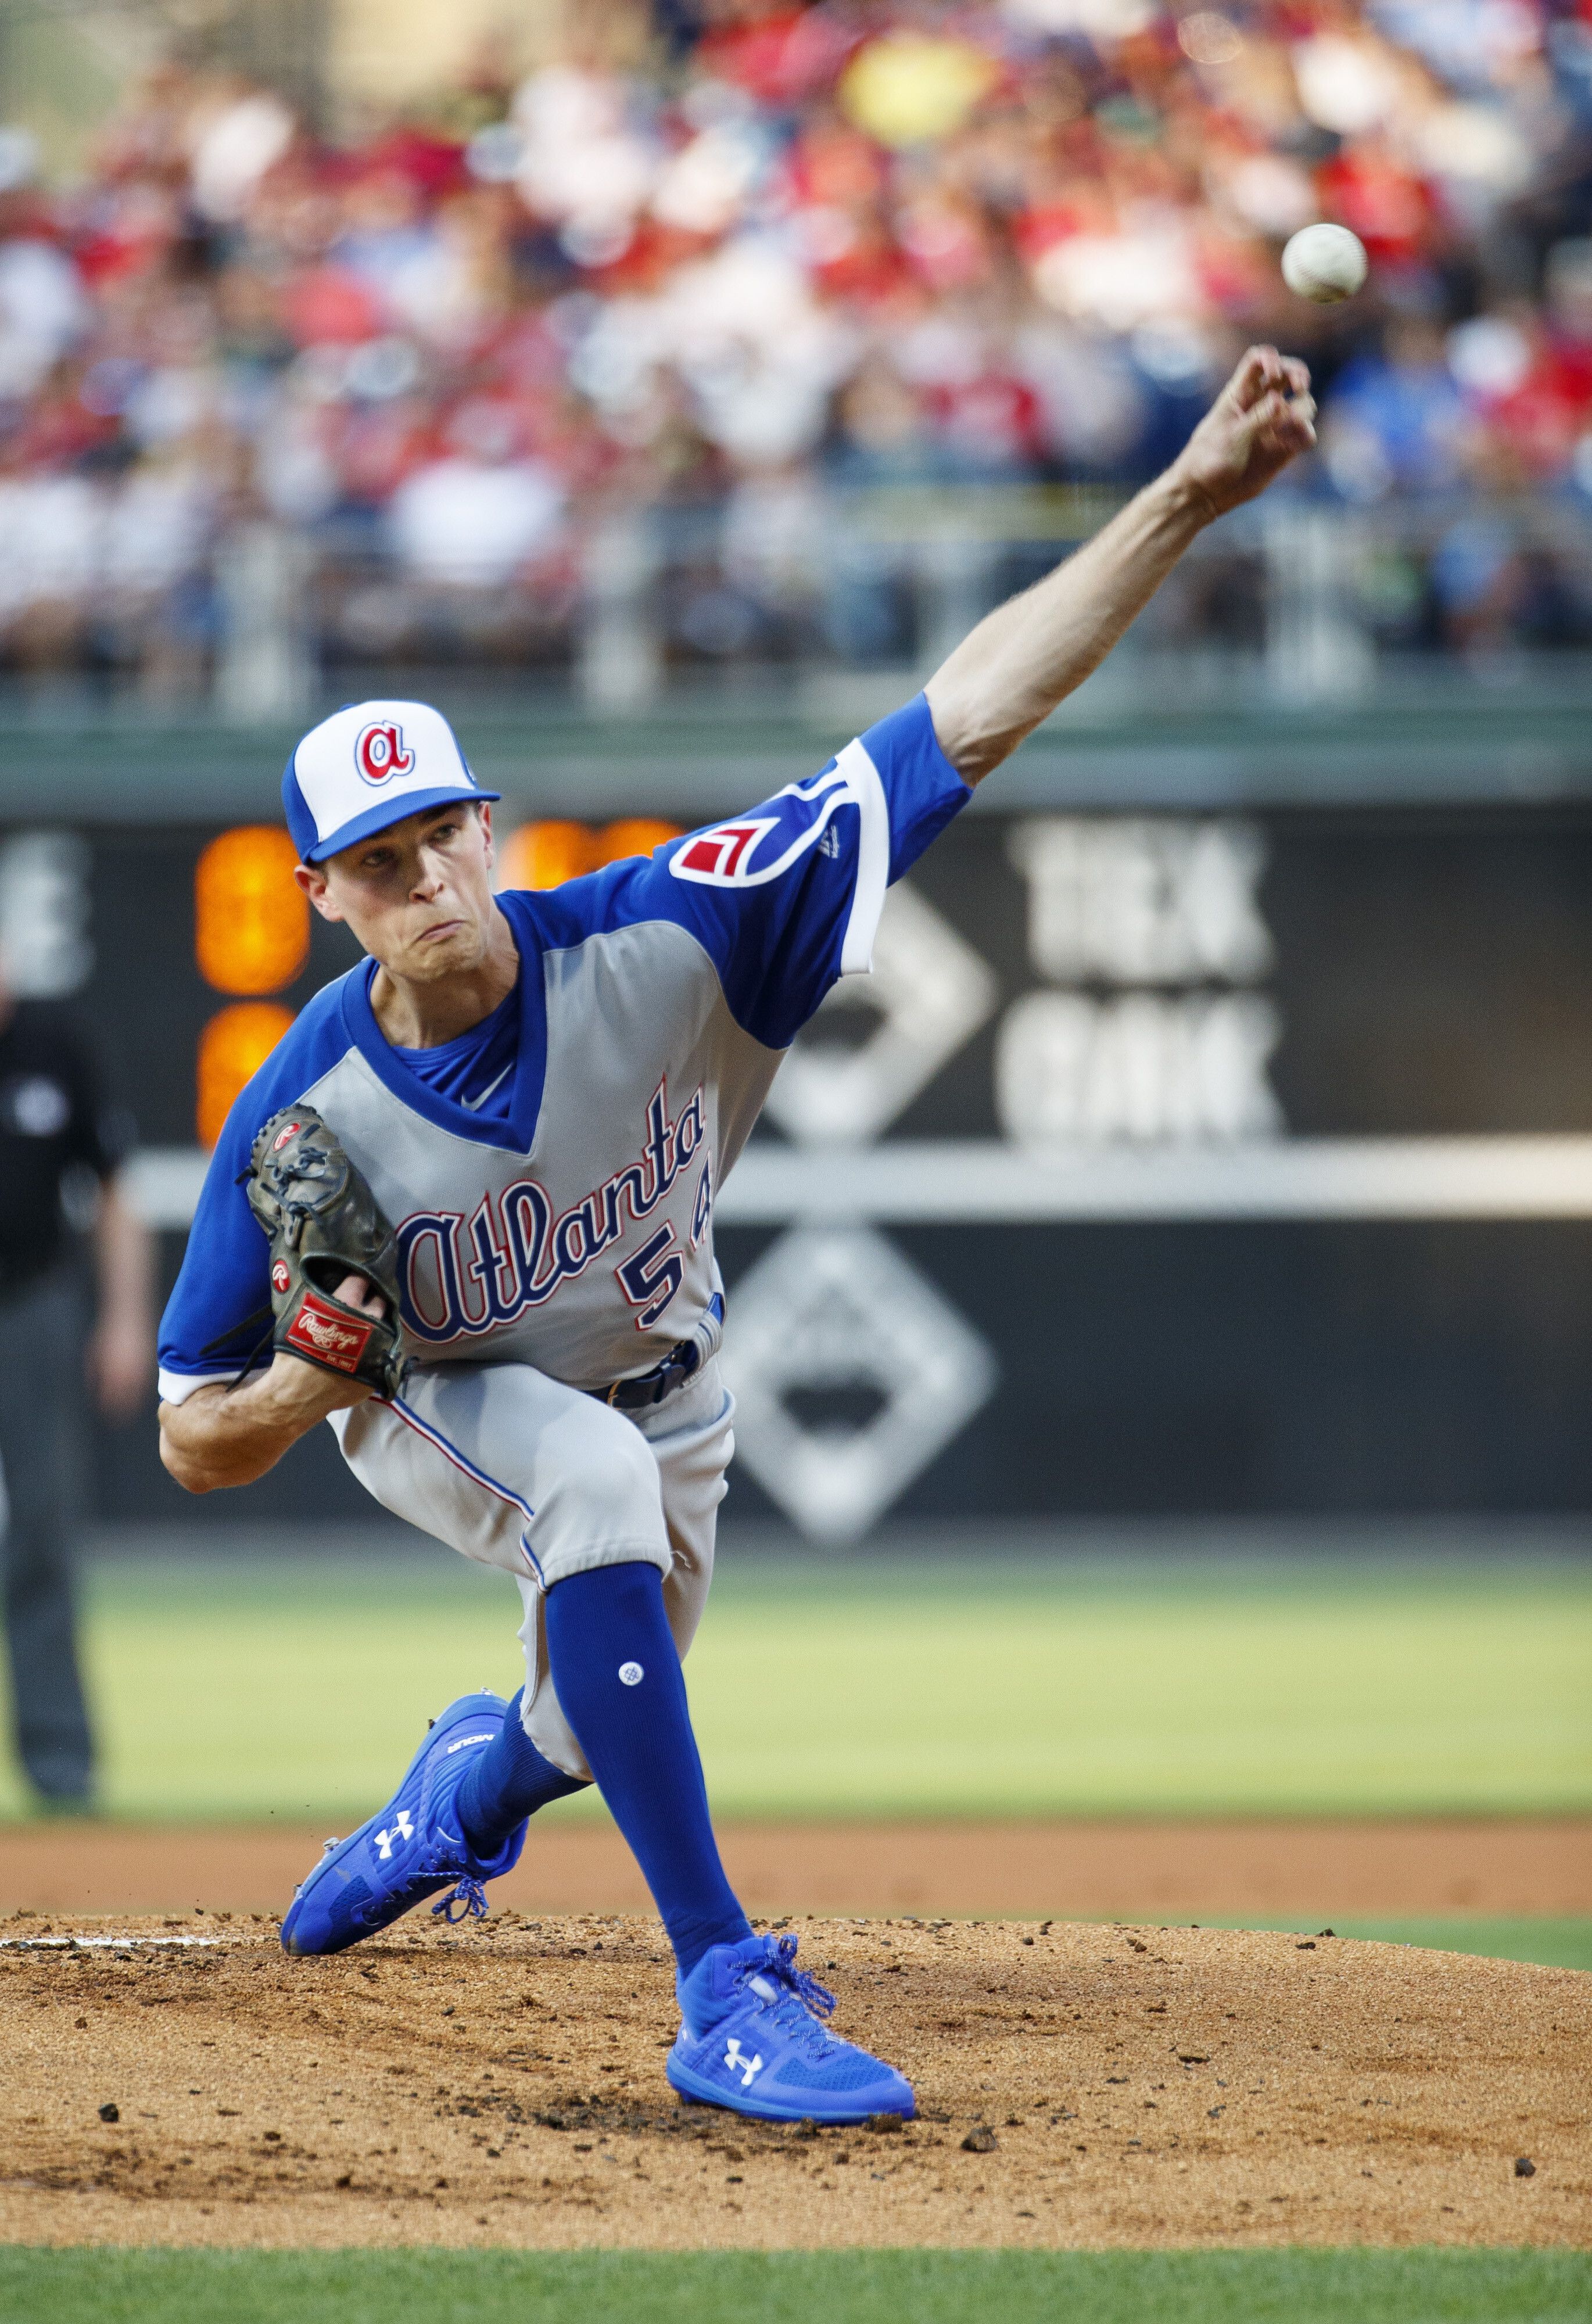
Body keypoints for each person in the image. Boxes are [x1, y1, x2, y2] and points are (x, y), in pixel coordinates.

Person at [155, 349, 1315, 2122]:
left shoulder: (679, 935)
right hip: (436, 1397)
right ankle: (721, 1989)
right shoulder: (300, 1120)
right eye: (377, 864)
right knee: (589, 1501)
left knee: (592, 1705)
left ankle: (466, 1792)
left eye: (441, 836)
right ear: (322, 896)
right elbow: (188, 1436)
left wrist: (1179, 494)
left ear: (490, 822)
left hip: (670, 1385)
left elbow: (955, 724)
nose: (430, 885)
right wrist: (312, 1382)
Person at [0, 959, 154, 1808]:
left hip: (32, 1306)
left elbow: (114, 1191)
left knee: (44, 1537)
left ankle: (61, 1768)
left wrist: (125, 1320)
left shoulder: (54, 1045)